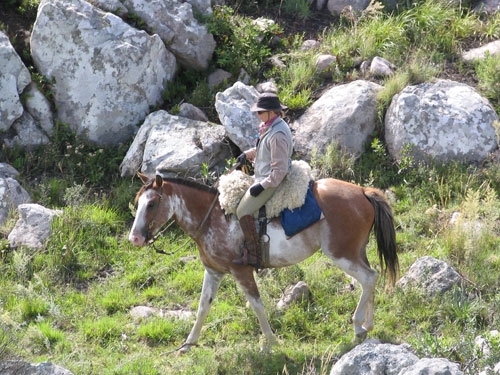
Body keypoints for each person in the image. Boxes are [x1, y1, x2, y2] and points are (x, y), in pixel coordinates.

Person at [233, 92, 293, 267]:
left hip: (271, 181)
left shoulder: (277, 135)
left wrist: (261, 186)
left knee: (242, 211)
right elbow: (264, 150)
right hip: (262, 175)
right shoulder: (270, 126)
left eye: (260, 112)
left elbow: (279, 172)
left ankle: (253, 255)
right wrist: (247, 154)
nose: (257, 115)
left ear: (271, 112)